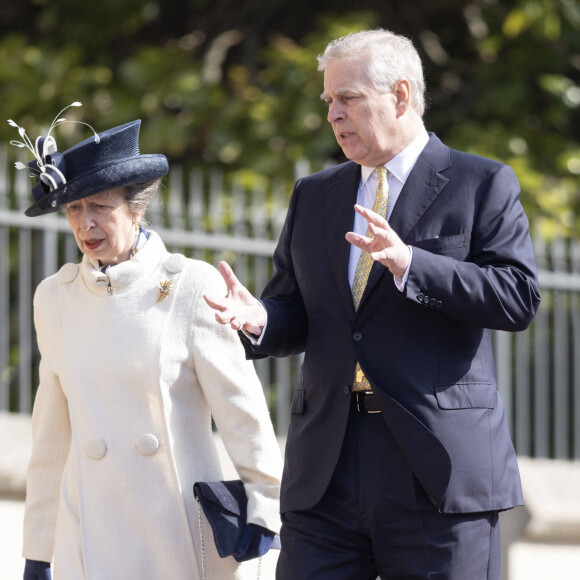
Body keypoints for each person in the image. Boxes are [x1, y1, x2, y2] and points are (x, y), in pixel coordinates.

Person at [204, 28, 541, 579]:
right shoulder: (314, 194)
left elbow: (517, 297)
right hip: (326, 469)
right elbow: (294, 312)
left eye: (349, 98)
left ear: (401, 96)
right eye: (329, 101)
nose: (334, 115)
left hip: (435, 470)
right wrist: (260, 318)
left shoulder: (481, 183)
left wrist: (410, 262)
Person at [11, 107, 283, 580]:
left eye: (100, 206)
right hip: (89, 535)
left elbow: (243, 411)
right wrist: (39, 549)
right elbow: (50, 435)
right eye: (75, 208)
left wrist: (265, 507)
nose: (85, 224)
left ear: (135, 208)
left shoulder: (191, 285)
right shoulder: (55, 297)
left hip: (176, 531)